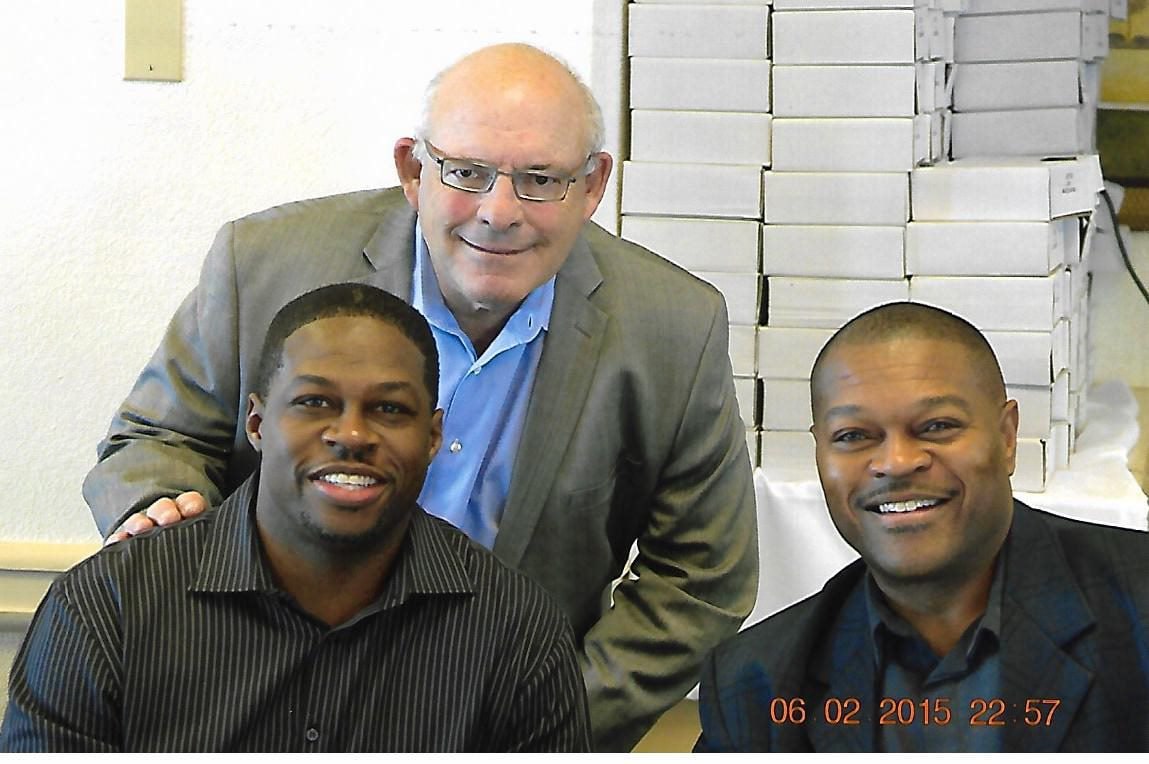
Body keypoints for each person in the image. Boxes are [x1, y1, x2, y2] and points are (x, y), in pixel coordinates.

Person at [80, 43, 758, 750]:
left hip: (500, 722)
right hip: (251, 698)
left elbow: (701, 576)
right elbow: (153, 440)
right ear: (413, 170)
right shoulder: (262, 266)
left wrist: (549, 719)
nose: (498, 212)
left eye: (540, 180)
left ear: (591, 187)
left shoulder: (674, 327)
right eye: (466, 172)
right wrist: (165, 515)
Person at [1, 283, 590, 752]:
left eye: (389, 409)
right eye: (314, 402)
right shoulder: (109, 607)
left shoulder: (516, 631)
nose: (351, 435)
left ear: (433, 437)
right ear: (257, 424)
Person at [695, 302, 1149, 753]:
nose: (896, 463)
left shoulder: (1137, 610)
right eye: (853, 435)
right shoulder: (755, 683)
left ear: (1007, 437)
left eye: (936, 426)